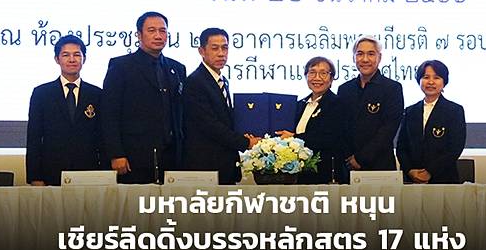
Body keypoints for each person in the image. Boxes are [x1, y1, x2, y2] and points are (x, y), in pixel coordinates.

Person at [102, 11, 186, 184]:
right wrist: (116, 153)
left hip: (171, 156)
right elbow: (109, 113)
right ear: (139, 35)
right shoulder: (121, 66)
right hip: (134, 157)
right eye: (151, 30)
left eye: (162, 31)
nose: (158, 36)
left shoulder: (177, 68)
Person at [183, 28, 259, 185]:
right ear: (201, 51)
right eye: (215, 48)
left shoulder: (222, 81)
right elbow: (209, 125)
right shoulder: (195, 82)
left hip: (224, 163)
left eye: (225, 48)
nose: (221, 54)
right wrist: (246, 143)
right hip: (206, 165)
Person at [26, 35, 105, 186]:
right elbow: (34, 138)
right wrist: (35, 177)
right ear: (57, 59)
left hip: (89, 172)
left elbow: (103, 137)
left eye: (77, 55)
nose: (72, 59)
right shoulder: (42, 93)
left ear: (84, 59)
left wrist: (105, 173)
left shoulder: (97, 94)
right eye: (66, 55)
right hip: (51, 172)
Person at [337, 36, 404, 183]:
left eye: (371, 54)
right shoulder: (344, 89)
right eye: (360, 54)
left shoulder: (392, 88)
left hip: (380, 165)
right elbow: (340, 127)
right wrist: (349, 157)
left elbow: (388, 129)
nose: (365, 59)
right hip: (348, 166)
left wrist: (360, 158)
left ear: (379, 58)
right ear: (354, 58)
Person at [396, 60, 466, 184]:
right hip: (412, 179)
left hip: (443, 179)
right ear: (419, 80)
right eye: (426, 77)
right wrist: (410, 170)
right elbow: (401, 147)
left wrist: (430, 171)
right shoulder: (410, 111)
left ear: (444, 82)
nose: (431, 82)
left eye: (436, 77)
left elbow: (455, 147)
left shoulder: (454, 110)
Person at [276, 56, 343, 184]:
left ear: (331, 78)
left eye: (323, 73)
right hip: (297, 174)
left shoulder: (338, 104)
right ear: (306, 76)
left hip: (324, 174)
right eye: (312, 72)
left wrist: (294, 138)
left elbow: (330, 137)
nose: (317, 78)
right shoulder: (299, 105)